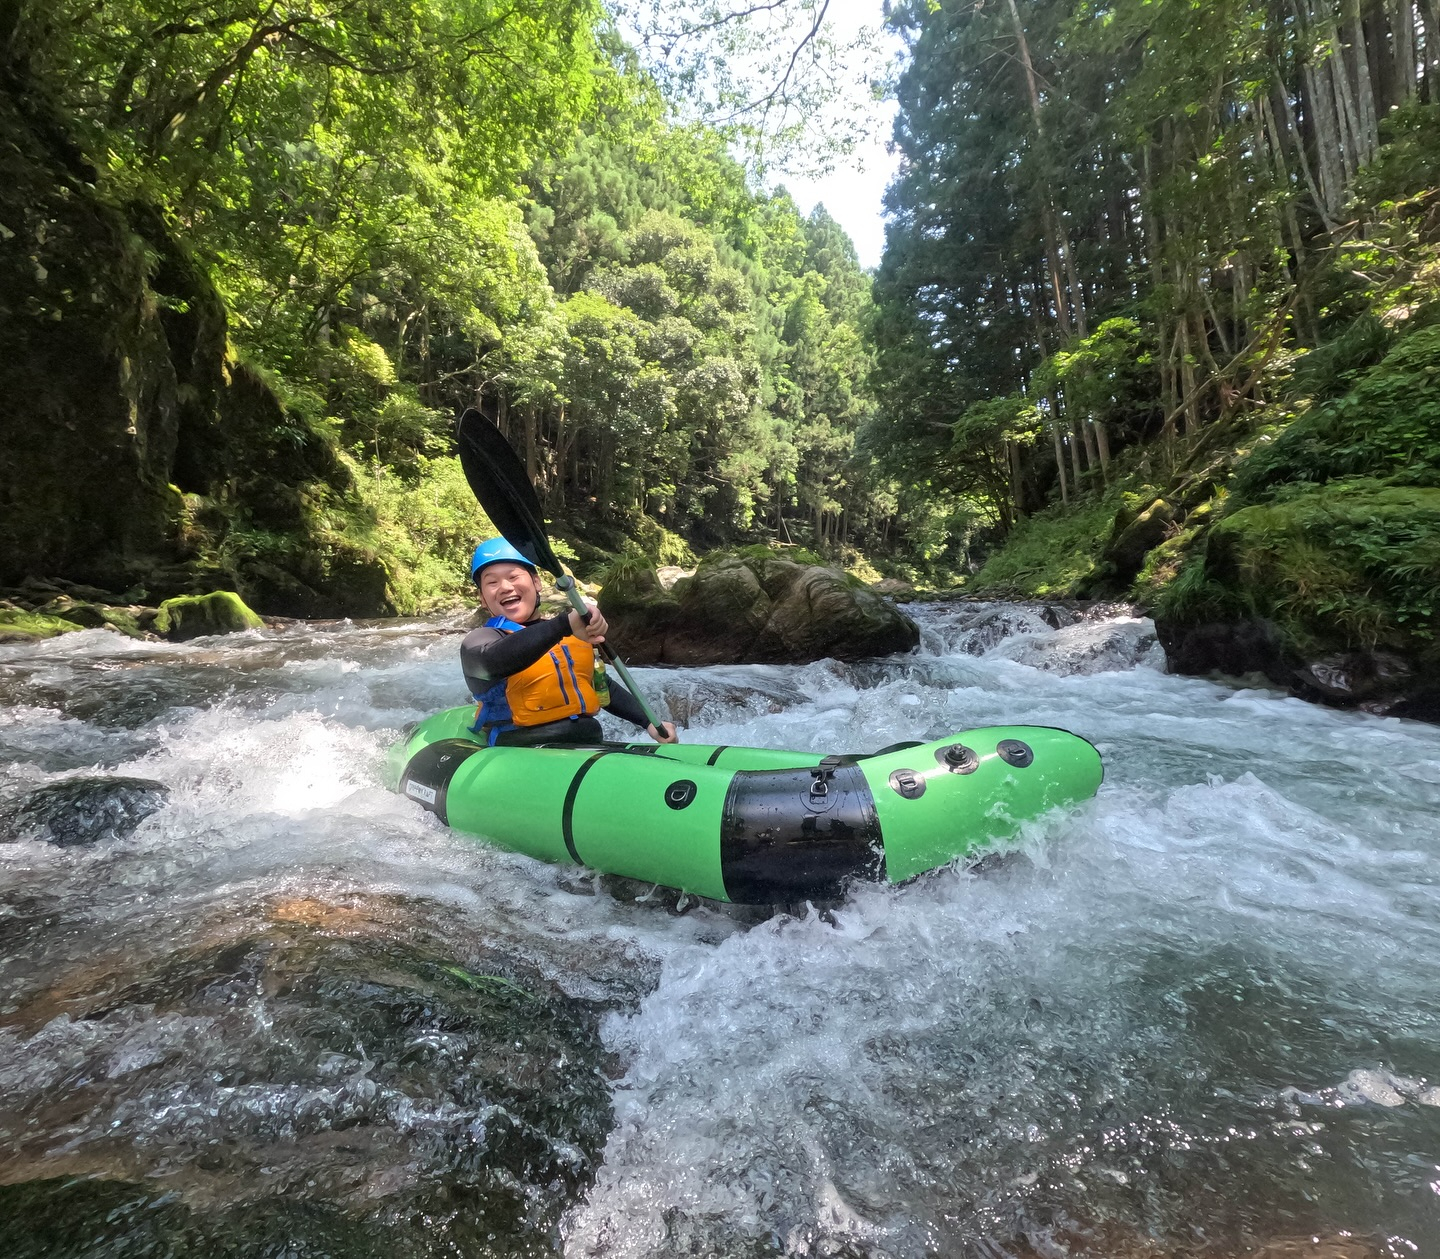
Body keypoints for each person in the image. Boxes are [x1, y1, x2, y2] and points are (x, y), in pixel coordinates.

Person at [460, 538, 679, 748]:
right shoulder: (480, 641)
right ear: (482, 597)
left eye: (514, 577)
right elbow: (493, 661)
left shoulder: (572, 633)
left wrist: (647, 721)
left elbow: (599, 685)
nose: (505, 587)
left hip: (584, 743)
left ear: (536, 582)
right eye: (492, 582)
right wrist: (565, 624)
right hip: (520, 748)